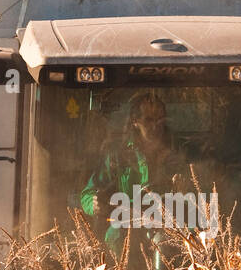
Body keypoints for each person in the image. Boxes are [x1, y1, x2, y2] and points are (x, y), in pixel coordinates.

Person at [80, 91, 187, 248]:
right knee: (115, 234)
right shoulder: (117, 156)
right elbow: (88, 194)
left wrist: (186, 188)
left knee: (191, 237)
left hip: (171, 223)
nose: (155, 125)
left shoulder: (181, 152)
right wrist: (94, 204)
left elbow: (205, 187)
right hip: (128, 227)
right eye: (148, 120)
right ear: (135, 121)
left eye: (159, 119)